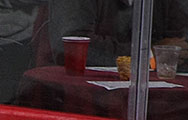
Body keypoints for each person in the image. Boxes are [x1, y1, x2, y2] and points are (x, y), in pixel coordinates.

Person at [48, 0, 188, 69]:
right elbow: (71, 47)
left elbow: (178, 41)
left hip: (156, 103)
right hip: (81, 101)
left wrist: (171, 52)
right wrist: (148, 55)